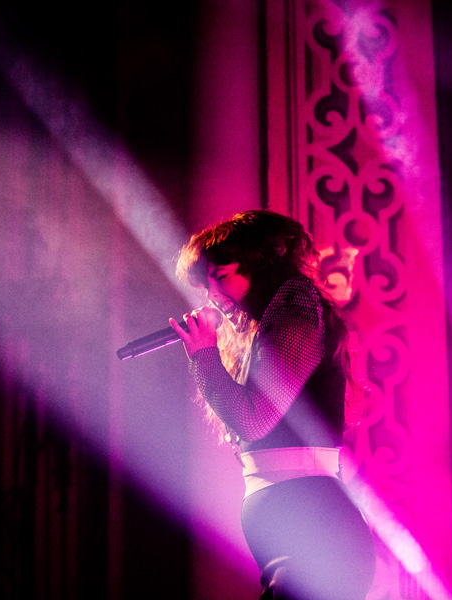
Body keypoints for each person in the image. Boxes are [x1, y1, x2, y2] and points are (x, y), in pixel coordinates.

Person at [169, 210, 376, 600]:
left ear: (260, 263)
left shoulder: (295, 302)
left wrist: (204, 354)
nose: (212, 295)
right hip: (300, 530)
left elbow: (252, 420)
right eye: (206, 285)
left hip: (316, 532)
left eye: (221, 276)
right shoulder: (269, 321)